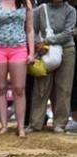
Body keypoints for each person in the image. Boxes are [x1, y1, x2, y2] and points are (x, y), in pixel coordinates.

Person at [0, 0, 35, 137]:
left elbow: (30, 29)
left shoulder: (25, 3)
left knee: (19, 88)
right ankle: (4, 125)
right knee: (0, 88)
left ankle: (20, 126)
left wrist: (31, 52)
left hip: (19, 48)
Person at [27, 0, 76, 133]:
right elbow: (32, 30)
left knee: (64, 87)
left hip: (67, 50)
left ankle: (60, 123)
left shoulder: (71, 11)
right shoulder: (40, 9)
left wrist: (47, 41)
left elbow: (68, 33)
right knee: (41, 87)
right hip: (45, 51)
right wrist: (38, 44)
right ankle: (35, 123)